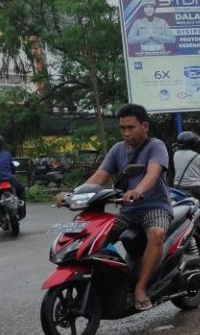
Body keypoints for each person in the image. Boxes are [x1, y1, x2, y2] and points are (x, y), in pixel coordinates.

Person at [66, 103, 172, 312]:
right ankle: (110, 282)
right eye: (122, 128)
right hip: (127, 211)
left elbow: (153, 173)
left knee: (157, 233)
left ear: (145, 126)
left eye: (130, 128)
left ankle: (141, 287)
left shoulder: (156, 146)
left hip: (154, 207)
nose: (125, 133)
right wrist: (73, 195)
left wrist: (138, 190)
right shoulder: (117, 149)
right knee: (92, 235)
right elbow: (99, 176)